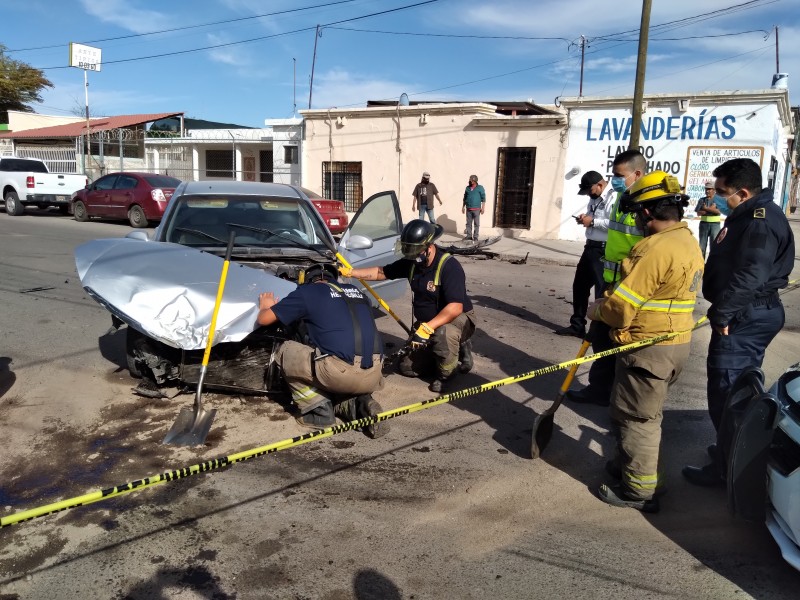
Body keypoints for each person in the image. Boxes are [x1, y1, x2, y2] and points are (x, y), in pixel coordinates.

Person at [587, 171, 704, 512]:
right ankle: (636, 469)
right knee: (645, 415)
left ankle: (638, 491)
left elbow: (622, 308)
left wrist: (597, 311)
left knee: (635, 418)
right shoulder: (688, 241)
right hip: (674, 344)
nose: (637, 219)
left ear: (648, 212)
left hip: (648, 349)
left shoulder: (654, 249)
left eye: (638, 212)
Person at [683, 157, 794, 487]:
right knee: (736, 391)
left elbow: (751, 274)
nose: (716, 197)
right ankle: (728, 454)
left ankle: (726, 472)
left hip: (746, 315)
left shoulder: (758, 221)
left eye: (721, 192)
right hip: (748, 312)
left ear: (743, 192)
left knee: (728, 394)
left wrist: (722, 313)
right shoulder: (747, 215)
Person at [342, 219, 476, 393]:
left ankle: (448, 372)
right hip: (428, 324)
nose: (412, 256)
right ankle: (442, 352)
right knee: (407, 367)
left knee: (443, 334)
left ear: (429, 247)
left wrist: (428, 328)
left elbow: (455, 307)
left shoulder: (449, 266)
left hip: (456, 319)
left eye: (415, 251)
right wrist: (351, 272)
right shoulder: (413, 262)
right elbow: (381, 272)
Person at [257, 266, 388, 438]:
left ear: (308, 280)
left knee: (286, 350)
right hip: (375, 373)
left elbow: (264, 319)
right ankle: (359, 404)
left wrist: (265, 307)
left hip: (340, 373)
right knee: (334, 355)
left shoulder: (308, 293)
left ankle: (318, 411)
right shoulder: (356, 291)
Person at [565, 150, 647, 407]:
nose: (616, 179)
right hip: (612, 278)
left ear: (637, 174)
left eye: (619, 175)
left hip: (629, 282)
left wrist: (595, 222)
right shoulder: (624, 199)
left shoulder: (643, 203)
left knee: (615, 338)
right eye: (614, 175)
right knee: (601, 334)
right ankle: (602, 389)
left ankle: (614, 393)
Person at [555, 170, 614, 338]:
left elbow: (615, 224)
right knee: (579, 287)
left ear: (600, 185)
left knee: (600, 293)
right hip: (589, 248)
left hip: (604, 249)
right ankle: (577, 325)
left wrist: (593, 221)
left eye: (591, 190)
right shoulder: (594, 198)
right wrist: (585, 218)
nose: (589, 194)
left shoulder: (614, 198)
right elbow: (593, 216)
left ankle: (598, 332)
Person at [695, 180, 722, 259]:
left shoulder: (718, 200)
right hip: (704, 224)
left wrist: (706, 208)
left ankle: (711, 266)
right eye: (706, 189)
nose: (707, 191)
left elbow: (718, 212)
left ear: (714, 190)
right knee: (702, 247)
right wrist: (710, 209)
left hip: (715, 225)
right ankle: (701, 266)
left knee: (714, 247)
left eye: (709, 189)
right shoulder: (702, 200)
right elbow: (698, 213)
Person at [462, 174, 486, 241]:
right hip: (468, 208)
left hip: (477, 209)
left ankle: (475, 237)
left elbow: (483, 198)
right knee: (468, 224)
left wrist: (483, 208)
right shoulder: (467, 188)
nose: (470, 181)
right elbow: (464, 198)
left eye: (471, 180)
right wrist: (463, 207)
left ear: (474, 181)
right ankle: (469, 236)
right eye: (470, 180)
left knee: (476, 224)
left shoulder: (480, 188)